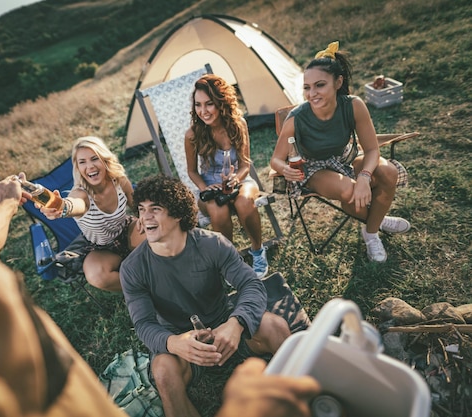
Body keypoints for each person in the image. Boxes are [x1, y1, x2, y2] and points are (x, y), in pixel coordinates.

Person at [0, 3, 319, 416]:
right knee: (151, 344)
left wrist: (9, 209)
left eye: (94, 158)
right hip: (122, 265)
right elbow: (75, 213)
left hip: (180, 275)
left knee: (263, 318)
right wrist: (180, 348)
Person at [120, 175, 311, 417]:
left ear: (177, 214)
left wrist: (236, 323)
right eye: (141, 209)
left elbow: (250, 283)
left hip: (225, 322)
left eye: (155, 209)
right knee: (163, 370)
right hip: (182, 344)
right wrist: (175, 343)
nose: (145, 217)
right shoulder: (132, 268)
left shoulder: (212, 244)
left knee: (274, 325)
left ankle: (307, 397)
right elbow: (144, 324)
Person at [270, 41, 411, 262]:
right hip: (313, 169)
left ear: (338, 82)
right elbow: (275, 160)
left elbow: (372, 149)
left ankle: (370, 231)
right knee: (349, 190)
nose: (312, 93)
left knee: (388, 172)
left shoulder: (353, 105)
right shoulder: (297, 118)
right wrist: (284, 169)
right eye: (307, 87)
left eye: (319, 85)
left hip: (344, 159)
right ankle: (378, 222)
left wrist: (364, 177)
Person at [184, 74, 268, 277]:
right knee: (218, 211)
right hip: (209, 186)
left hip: (239, 179)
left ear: (221, 103)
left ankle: (257, 250)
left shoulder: (238, 125)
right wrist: (205, 188)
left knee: (245, 202)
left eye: (209, 104)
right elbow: (192, 171)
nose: (203, 111)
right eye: (198, 105)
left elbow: (245, 164)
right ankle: (231, 262)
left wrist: (236, 178)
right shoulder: (193, 134)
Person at [38, 136, 145, 292]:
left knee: (155, 235)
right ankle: (143, 288)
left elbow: (136, 205)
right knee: (97, 276)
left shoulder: (119, 181)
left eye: (94, 159)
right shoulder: (80, 194)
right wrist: (60, 208)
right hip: (100, 248)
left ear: (105, 159)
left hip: (127, 230)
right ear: (77, 167)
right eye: (82, 162)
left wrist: (144, 219)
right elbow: (73, 205)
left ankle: (163, 273)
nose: (90, 166)